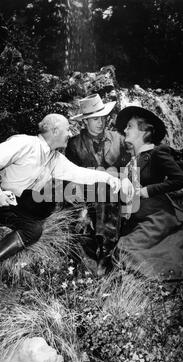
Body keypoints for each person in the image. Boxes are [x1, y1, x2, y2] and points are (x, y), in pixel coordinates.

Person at [0, 114, 122, 299]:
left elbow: (78, 173)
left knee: (43, 211)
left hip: (14, 203)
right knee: (33, 228)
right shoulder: (25, 144)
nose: (70, 133)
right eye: (67, 129)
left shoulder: (53, 157)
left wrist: (108, 178)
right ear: (55, 130)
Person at [113, 106, 183, 281]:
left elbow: (181, 180)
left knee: (126, 249)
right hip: (137, 215)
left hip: (157, 215)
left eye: (129, 126)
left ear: (144, 131)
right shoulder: (132, 158)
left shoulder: (157, 152)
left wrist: (147, 191)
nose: (125, 130)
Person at [65, 94, 130, 271]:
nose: (100, 122)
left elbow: (133, 161)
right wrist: (81, 205)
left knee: (108, 196)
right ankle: (90, 261)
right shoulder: (74, 145)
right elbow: (69, 177)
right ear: (85, 122)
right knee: (81, 222)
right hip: (86, 195)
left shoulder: (119, 139)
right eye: (95, 119)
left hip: (115, 194)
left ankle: (106, 254)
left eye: (102, 117)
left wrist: (126, 179)